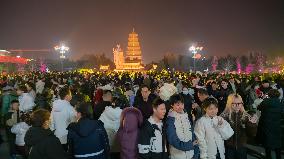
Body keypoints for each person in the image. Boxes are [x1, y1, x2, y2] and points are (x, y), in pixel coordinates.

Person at [221, 94, 258, 159]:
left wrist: (252, 124)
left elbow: (252, 134)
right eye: (234, 103)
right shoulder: (224, 116)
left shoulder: (246, 116)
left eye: (239, 103)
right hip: (228, 148)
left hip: (242, 147)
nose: (237, 106)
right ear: (229, 103)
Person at [166, 94, 199, 159]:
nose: (180, 107)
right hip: (178, 156)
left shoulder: (186, 116)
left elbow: (192, 133)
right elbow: (173, 140)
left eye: (182, 104)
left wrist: (195, 152)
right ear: (172, 105)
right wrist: (190, 145)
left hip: (191, 154)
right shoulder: (170, 120)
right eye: (178, 105)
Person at [257, 89, 283, 159]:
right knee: (277, 142)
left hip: (266, 124)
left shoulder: (266, 101)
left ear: (270, 95)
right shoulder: (280, 103)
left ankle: (268, 156)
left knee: (267, 142)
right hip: (276, 125)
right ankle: (278, 157)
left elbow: (258, 107)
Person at [50, 86, 76, 150]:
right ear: (67, 96)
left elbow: (51, 120)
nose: (71, 96)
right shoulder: (70, 108)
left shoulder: (55, 105)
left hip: (56, 135)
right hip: (66, 136)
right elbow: (74, 123)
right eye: (70, 94)